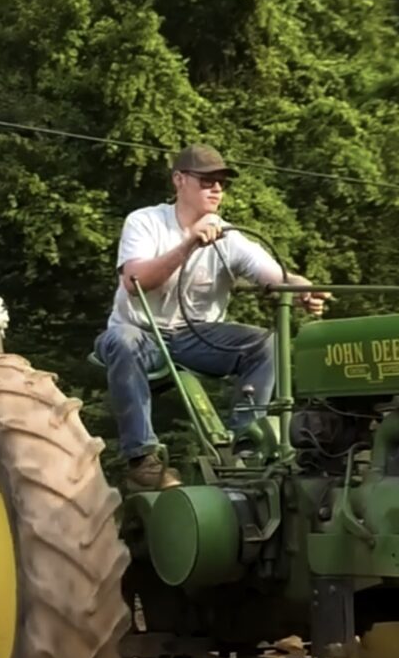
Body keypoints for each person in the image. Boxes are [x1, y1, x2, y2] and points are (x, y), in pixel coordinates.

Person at [96, 145, 324, 491]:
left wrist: (302, 287)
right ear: (179, 181)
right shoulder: (145, 222)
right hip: (142, 332)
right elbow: (134, 281)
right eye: (207, 181)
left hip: (195, 338)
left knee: (265, 344)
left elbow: (274, 275)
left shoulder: (228, 237)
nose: (217, 189)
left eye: (221, 182)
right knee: (121, 340)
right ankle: (141, 459)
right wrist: (188, 243)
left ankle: (245, 446)